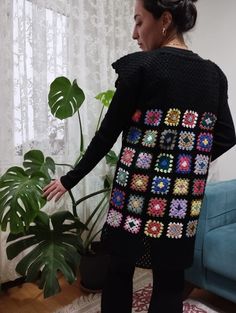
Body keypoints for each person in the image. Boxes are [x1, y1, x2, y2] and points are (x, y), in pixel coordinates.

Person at [43, 0, 236, 312]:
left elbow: (107, 135)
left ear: (165, 20)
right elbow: (227, 135)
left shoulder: (141, 68)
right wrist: (184, 160)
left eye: (139, 21)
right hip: (179, 201)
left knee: (119, 271)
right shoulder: (214, 75)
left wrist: (68, 179)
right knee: (170, 281)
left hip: (132, 195)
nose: (134, 33)